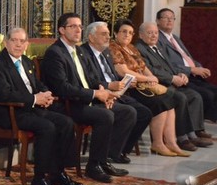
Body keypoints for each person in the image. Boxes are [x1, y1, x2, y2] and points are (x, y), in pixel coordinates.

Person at [0, 28, 84, 185]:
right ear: (6, 43)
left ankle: (57, 172)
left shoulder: (26, 61)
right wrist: (34, 99)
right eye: (14, 40)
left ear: (27, 44)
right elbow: (3, 94)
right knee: (47, 127)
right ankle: (39, 180)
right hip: (10, 113)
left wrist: (46, 93)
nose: (18, 44)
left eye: (22, 41)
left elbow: (37, 84)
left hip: (30, 109)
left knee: (66, 122)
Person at [40, 13, 132, 183]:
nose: (78, 30)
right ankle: (93, 166)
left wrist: (104, 93)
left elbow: (91, 78)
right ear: (62, 30)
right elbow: (62, 88)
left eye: (80, 26)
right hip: (67, 103)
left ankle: (104, 160)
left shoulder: (79, 51)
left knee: (126, 112)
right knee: (105, 116)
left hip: (84, 98)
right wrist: (95, 94)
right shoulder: (55, 53)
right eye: (73, 26)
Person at [108, 19, 198, 156]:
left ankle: (171, 143)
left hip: (143, 86)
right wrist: (147, 79)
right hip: (130, 89)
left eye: (130, 33)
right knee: (161, 102)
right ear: (115, 33)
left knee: (170, 99)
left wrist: (153, 79)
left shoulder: (131, 48)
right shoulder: (113, 47)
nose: (127, 35)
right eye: (124, 32)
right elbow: (123, 71)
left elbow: (143, 67)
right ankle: (157, 143)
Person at [81, 22, 153, 164]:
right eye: (104, 34)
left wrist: (126, 82)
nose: (108, 37)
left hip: (117, 91)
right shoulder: (84, 53)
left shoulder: (106, 52)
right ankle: (110, 154)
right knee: (129, 112)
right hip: (100, 94)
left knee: (145, 113)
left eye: (108, 34)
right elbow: (88, 80)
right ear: (91, 37)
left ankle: (121, 150)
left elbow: (113, 75)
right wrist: (109, 86)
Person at [133, 22, 212, 150]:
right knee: (180, 98)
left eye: (155, 32)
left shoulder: (158, 46)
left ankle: (192, 134)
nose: (154, 35)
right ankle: (182, 138)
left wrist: (180, 74)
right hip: (158, 84)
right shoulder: (139, 49)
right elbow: (152, 71)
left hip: (170, 82)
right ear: (141, 35)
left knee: (194, 95)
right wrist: (172, 78)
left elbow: (170, 65)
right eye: (150, 32)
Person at [157, 8, 217, 126]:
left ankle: (209, 120)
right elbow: (167, 64)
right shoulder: (158, 39)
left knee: (214, 90)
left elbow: (186, 57)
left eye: (172, 18)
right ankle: (200, 126)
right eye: (166, 17)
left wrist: (199, 67)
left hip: (193, 75)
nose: (169, 20)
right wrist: (192, 69)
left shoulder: (175, 38)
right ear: (158, 21)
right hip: (181, 76)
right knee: (206, 94)